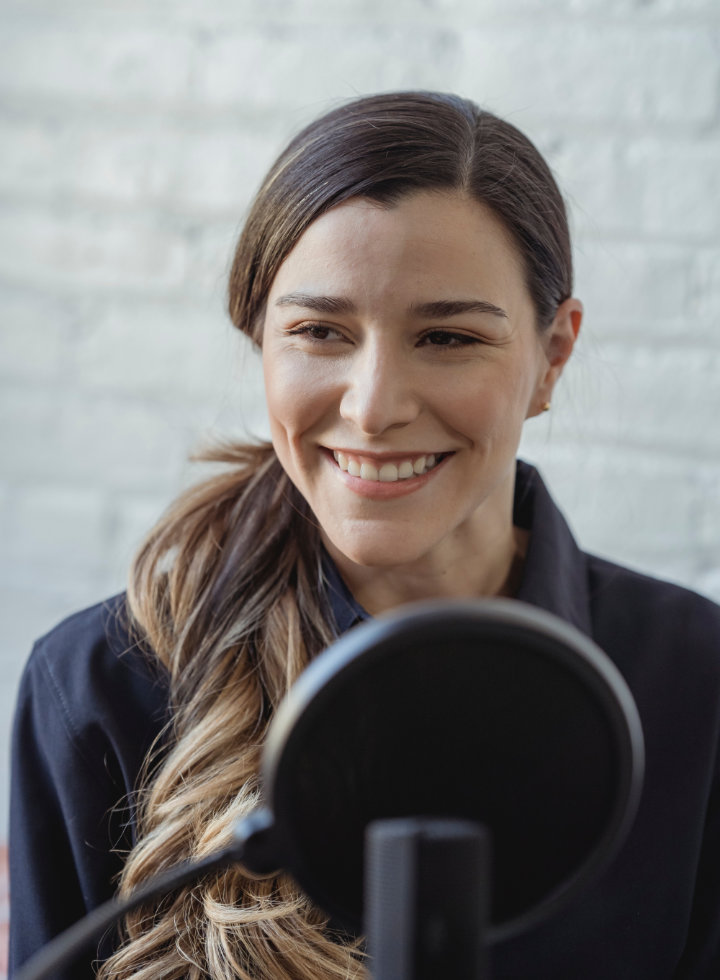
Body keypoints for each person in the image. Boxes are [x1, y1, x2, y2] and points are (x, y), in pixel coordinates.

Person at [9, 91, 720, 980]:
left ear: (553, 357)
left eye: (447, 337)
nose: (374, 407)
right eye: (318, 331)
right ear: (261, 342)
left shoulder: (698, 680)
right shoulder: (98, 688)